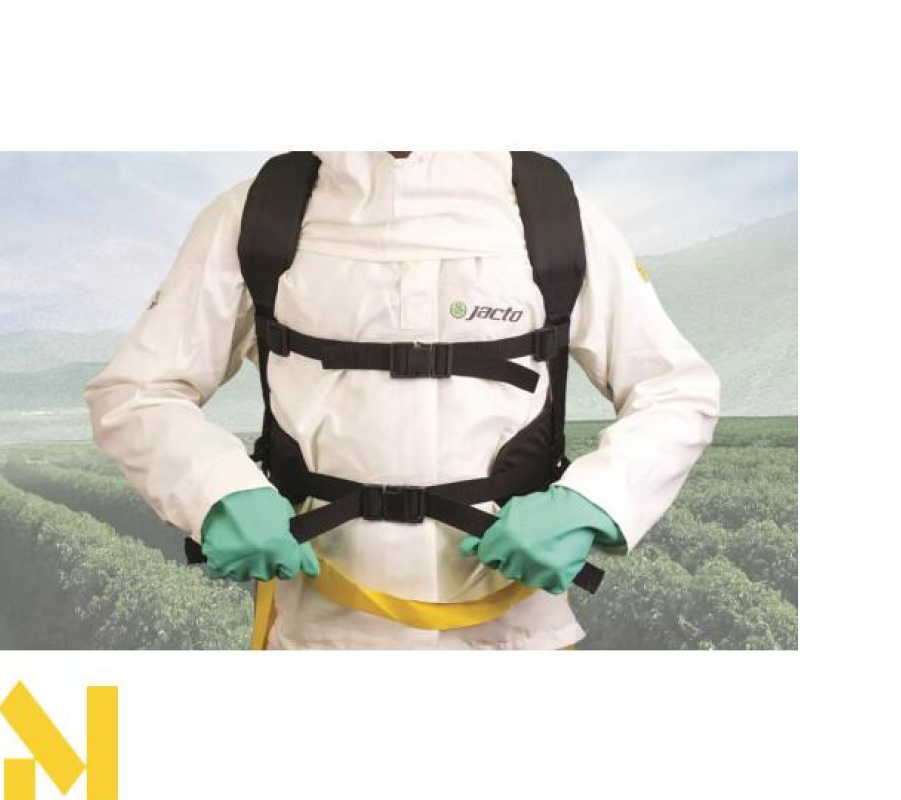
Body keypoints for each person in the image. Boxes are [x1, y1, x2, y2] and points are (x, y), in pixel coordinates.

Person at [85, 151, 720, 649]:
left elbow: (675, 389)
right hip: (315, 635)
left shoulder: (553, 215)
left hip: (519, 636)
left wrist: (591, 501)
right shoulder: (258, 215)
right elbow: (138, 389)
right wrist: (217, 491)